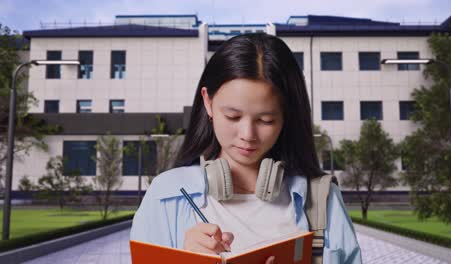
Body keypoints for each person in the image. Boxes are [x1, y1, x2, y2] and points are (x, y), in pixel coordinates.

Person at [130, 33, 362, 264]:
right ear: (208, 103)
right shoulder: (165, 196)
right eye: (233, 116)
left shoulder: (322, 199)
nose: (247, 135)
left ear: (286, 115)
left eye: (266, 120)